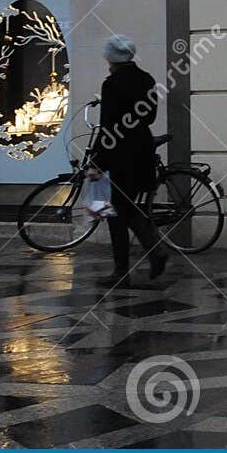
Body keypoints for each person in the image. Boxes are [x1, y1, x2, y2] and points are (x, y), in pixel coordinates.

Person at [91, 36, 168, 286]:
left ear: (112, 58)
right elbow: (151, 117)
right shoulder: (146, 79)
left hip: (119, 154)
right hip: (142, 150)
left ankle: (123, 270)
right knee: (125, 207)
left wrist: (97, 159)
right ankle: (153, 251)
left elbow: (109, 125)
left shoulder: (112, 84)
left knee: (116, 211)